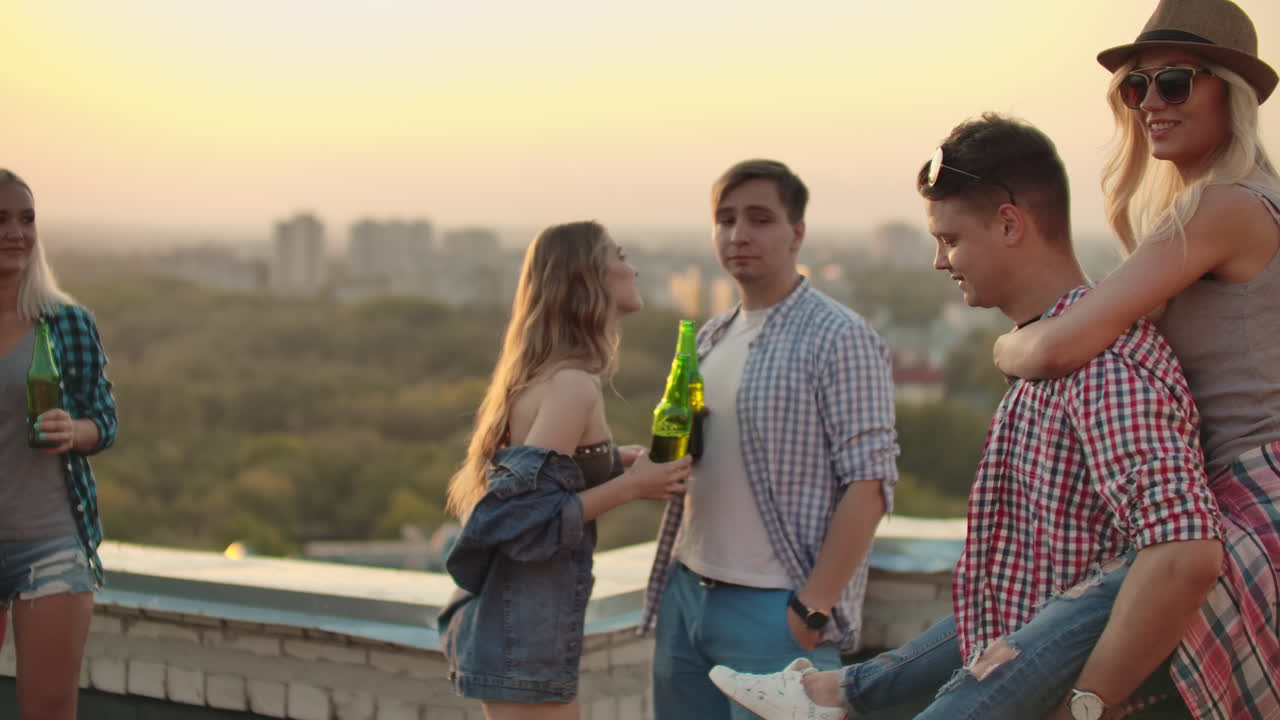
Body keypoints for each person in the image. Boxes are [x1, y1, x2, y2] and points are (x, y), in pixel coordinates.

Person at [709, 114, 1229, 720]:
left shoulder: (1101, 364)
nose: (939, 261)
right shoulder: (1049, 353)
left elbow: (1184, 554)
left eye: (950, 239)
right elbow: (1027, 587)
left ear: (1009, 224)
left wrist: (1087, 704)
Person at [992, 0, 1280, 715]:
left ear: (1230, 94)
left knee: (1030, 642)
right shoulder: (1249, 203)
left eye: (1174, 82)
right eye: (1135, 86)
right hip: (1239, 500)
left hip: (1246, 502)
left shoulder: (1223, 206)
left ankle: (839, 691)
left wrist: (1005, 344)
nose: (1151, 102)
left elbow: (1058, 345)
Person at [643, 159, 899, 719]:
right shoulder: (710, 336)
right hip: (688, 594)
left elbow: (871, 483)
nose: (739, 235)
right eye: (726, 219)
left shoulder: (839, 336)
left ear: (796, 233)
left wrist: (811, 610)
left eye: (760, 219)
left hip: (775, 609)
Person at [437, 220, 692, 720]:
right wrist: (632, 487)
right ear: (589, 278)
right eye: (621, 256)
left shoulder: (550, 375)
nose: (634, 269)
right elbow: (526, 521)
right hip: (523, 634)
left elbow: (546, 477)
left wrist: (611, 461)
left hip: (520, 629)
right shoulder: (571, 384)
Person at [0, 168, 118, 720]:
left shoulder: (67, 323)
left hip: (50, 542)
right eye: (0, 219)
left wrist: (74, 430)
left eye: (26, 219)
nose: (15, 232)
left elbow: (105, 420)